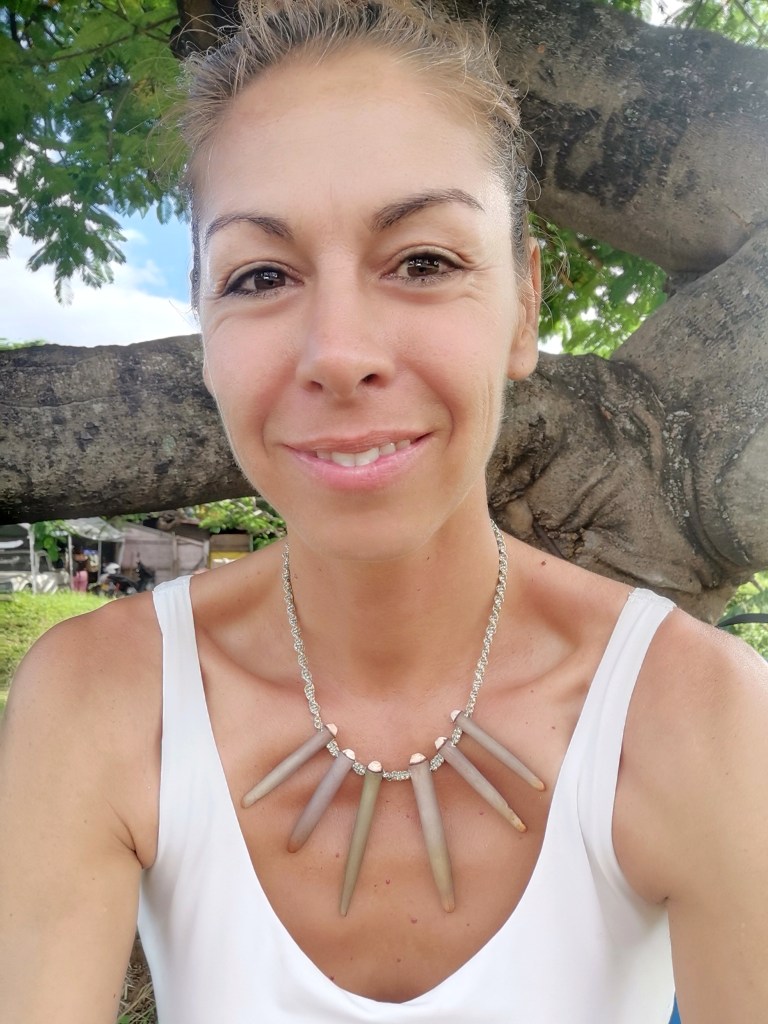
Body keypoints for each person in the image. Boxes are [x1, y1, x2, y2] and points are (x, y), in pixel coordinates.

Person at [1, 2, 767, 1022]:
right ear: (205, 326)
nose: (339, 352)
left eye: (423, 261)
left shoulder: (699, 715)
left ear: (524, 304)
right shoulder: (99, 701)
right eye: (260, 275)